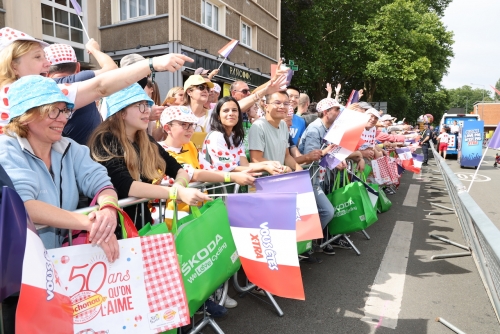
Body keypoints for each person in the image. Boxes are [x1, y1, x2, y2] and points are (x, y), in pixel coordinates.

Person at [0, 75, 120, 261]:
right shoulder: (6, 149)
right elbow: (23, 205)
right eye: (53, 111)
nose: (63, 119)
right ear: (25, 115)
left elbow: (102, 183)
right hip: (20, 267)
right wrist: (91, 224)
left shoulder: (71, 148)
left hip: (61, 263)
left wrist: (108, 209)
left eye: (65, 111)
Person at [88, 83, 211, 228]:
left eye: (147, 105)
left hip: (142, 224)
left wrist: (179, 187)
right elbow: (125, 186)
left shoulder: (146, 140)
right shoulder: (104, 140)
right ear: (121, 112)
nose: (147, 111)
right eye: (140, 105)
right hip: (113, 228)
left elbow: (178, 169)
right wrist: (176, 193)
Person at [45, 41, 117, 145]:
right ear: (78, 67)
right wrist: (94, 49)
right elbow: (112, 69)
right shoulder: (82, 80)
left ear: (46, 71)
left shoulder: (42, 88)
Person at [204, 96, 283, 175]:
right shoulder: (216, 136)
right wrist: (264, 167)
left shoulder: (236, 137)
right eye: (226, 111)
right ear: (218, 116)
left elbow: (244, 165)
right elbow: (228, 168)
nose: (231, 113)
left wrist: (269, 164)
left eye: (234, 110)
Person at [248, 91, 302, 172]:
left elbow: (286, 156)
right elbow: (256, 159)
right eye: (277, 103)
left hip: (279, 179)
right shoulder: (258, 126)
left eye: (286, 103)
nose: (282, 106)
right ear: (266, 107)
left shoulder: (283, 125)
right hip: (263, 180)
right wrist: (282, 168)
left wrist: (298, 168)